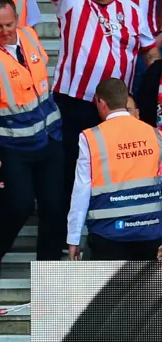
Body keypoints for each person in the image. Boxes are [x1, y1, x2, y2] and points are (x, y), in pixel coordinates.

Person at [48, 0, 160, 224]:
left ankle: (112, 223)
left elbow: (150, 53)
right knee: (72, 167)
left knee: (117, 166)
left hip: (117, 107)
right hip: (76, 100)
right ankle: (68, 230)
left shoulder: (132, 10)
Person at [0, 0, 64, 281]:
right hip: (16, 146)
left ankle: (48, 271)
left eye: (9, 24)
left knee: (54, 206)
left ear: (17, 20)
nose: (5, 31)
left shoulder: (30, 36)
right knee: (19, 206)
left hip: (49, 137)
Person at [67, 78, 162, 261]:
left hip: (108, 234)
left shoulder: (91, 138)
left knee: (111, 290)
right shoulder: (155, 135)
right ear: (125, 99)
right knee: (147, 289)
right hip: (151, 232)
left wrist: (73, 238)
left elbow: (81, 191)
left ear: (101, 102)